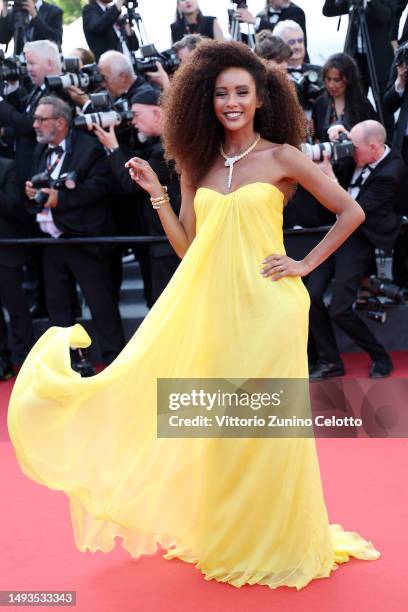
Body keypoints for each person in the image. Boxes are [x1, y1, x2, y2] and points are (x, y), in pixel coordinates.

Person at [8, 41, 380, 590]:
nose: (231, 102)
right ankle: (233, 534)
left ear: (260, 100)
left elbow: (351, 210)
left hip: (270, 310)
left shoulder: (283, 156)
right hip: (216, 311)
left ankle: (278, 539)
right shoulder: (196, 163)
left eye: (242, 93)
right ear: (206, 100)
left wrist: (303, 263)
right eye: (221, 93)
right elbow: (189, 248)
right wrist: (159, 193)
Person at [25, 96, 125, 373]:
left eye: (41, 119)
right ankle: (71, 362)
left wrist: (62, 200)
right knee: (59, 307)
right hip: (51, 240)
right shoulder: (40, 150)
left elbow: (101, 186)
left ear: (60, 122)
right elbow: (42, 183)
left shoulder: (89, 148)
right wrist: (33, 192)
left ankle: (115, 361)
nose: (35, 124)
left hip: (84, 238)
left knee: (100, 304)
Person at [307, 120, 404, 380]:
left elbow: (355, 212)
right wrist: (340, 132)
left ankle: (380, 356)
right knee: (310, 296)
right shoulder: (359, 148)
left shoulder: (391, 171)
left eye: (355, 148)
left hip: (359, 236)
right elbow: (349, 144)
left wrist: (328, 175)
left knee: (339, 308)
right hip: (333, 232)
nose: (350, 152)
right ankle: (328, 361)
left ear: (374, 148)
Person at [91, 84, 181, 303]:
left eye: (137, 114)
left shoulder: (165, 150)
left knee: (165, 305)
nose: (132, 120)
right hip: (161, 239)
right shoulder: (160, 145)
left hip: (169, 241)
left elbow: (132, 184)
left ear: (157, 113)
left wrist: (112, 147)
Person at [322, 0, 394, 138]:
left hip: (379, 60)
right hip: (355, 59)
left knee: (384, 107)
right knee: (353, 103)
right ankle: (352, 140)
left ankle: (386, 147)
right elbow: (329, 10)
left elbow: (385, 17)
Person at [0, 158, 33, 380]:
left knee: (17, 308)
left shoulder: (7, 166)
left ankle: (26, 360)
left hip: (6, 251)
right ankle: (2, 360)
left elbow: (13, 207)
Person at [313, 53, 377, 143]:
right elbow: (314, 134)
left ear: (348, 80)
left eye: (336, 80)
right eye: (328, 79)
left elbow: (374, 135)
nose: (331, 85)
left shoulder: (362, 105)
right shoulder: (319, 103)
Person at [236, 0, 309, 60]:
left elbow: (283, 32)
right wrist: (239, 34)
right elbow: (259, 41)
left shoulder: (296, 12)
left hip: (298, 63)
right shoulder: (261, 16)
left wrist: (255, 21)